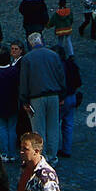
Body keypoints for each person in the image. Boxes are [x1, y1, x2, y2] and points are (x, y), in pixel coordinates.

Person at [18, 33, 66, 165]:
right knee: (53, 127)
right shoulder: (53, 55)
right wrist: (62, 95)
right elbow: (61, 76)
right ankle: (53, 156)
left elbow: (24, 81)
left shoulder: (27, 58)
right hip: (53, 96)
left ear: (30, 44)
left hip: (36, 98)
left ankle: (42, 157)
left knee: (38, 129)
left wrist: (24, 100)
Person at [0, 44, 21, 160]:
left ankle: (5, 152)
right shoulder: (14, 71)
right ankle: (12, 153)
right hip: (12, 102)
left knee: (2, 128)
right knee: (12, 128)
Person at [56, 45, 82, 158]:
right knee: (68, 124)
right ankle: (67, 149)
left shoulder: (58, 67)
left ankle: (54, 148)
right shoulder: (72, 65)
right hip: (72, 96)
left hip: (61, 98)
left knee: (55, 124)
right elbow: (78, 82)